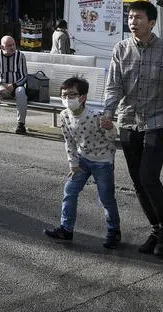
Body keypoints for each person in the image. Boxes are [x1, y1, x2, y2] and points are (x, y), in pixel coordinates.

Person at [101, 0, 163, 259]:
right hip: (128, 122)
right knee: (138, 181)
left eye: (138, 17)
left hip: (157, 123)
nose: (132, 22)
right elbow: (114, 85)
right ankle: (157, 230)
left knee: (149, 177)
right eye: (130, 17)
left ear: (152, 22)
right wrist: (108, 111)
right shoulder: (121, 49)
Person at [43, 76, 121, 249]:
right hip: (82, 160)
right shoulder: (64, 115)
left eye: (72, 95)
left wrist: (110, 128)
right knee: (70, 190)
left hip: (103, 161)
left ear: (83, 97)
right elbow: (69, 141)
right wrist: (73, 163)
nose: (67, 98)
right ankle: (66, 229)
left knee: (106, 198)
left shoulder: (95, 116)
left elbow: (111, 137)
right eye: (64, 95)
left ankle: (113, 231)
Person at [0, 35, 29, 135]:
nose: (12, 47)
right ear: (2, 47)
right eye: (9, 45)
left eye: (13, 44)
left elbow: (24, 76)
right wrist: (0, 85)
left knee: (21, 91)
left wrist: (14, 85)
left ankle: (21, 124)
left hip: (15, 87)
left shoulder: (20, 56)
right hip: (0, 88)